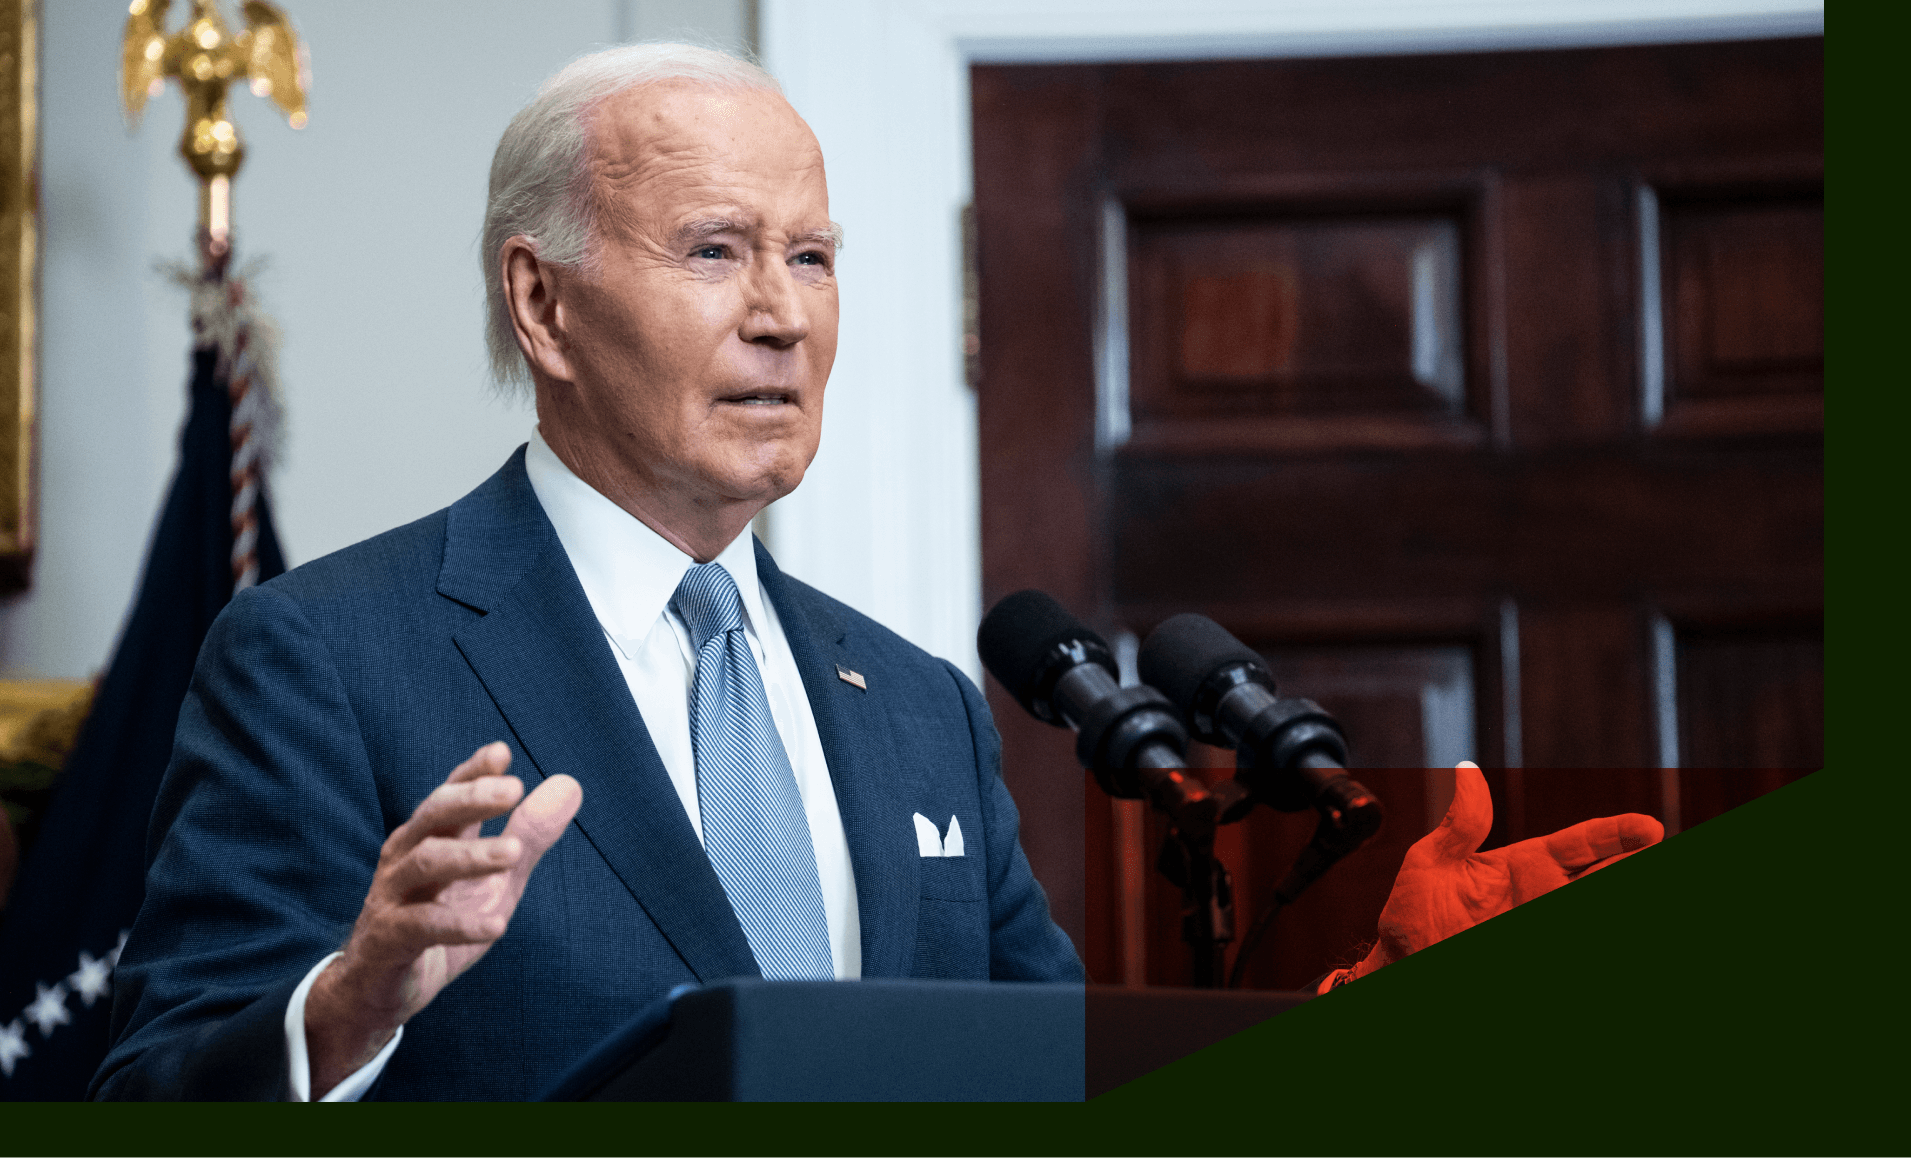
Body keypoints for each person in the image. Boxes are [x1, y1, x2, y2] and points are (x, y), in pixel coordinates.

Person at [92, 44, 1661, 1102]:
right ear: (545, 307)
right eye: (716, 249)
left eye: (814, 255)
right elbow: (151, 1088)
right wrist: (353, 1002)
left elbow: (1049, 1081)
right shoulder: (325, 653)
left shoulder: (916, 704)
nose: (784, 313)